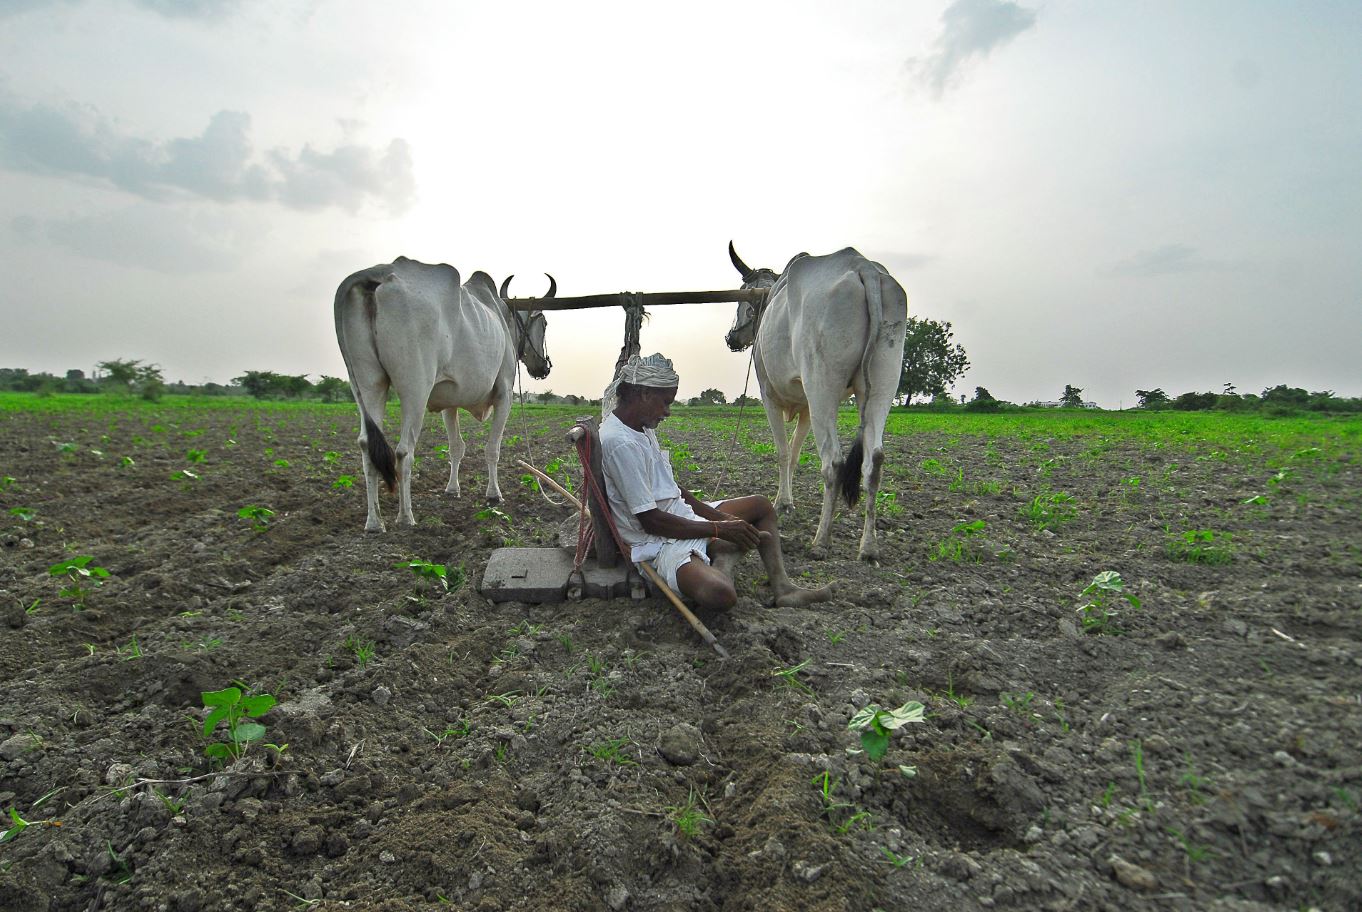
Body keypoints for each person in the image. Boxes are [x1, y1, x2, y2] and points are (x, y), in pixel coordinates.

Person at [598, 353, 834, 612]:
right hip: (657, 541)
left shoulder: (640, 428)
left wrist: (721, 520)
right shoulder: (620, 442)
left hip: (679, 518)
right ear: (644, 394)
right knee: (720, 594)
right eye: (665, 403)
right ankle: (724, 552)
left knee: (761, 506)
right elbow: (651, 521)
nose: (667, 412)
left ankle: (784, 589)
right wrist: (718, 530)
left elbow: (672, 491)